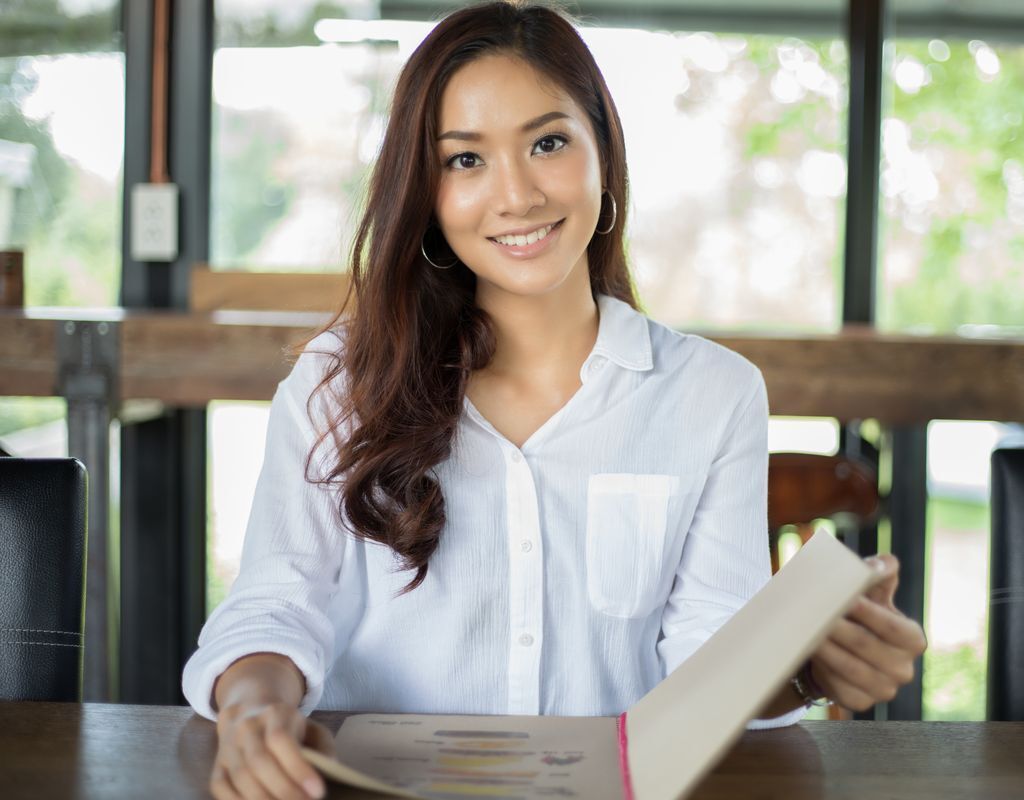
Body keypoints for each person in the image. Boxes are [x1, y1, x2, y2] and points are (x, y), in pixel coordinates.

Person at [183, 3, 927, 799]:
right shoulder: (337, 383)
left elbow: (710, 668)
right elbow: (273, 606)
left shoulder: (713, 395)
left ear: (603, 150)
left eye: (547, 143)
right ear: (425, 191)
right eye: (465, 161)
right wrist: (255, 704)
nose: (516, 195)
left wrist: (809, 668)